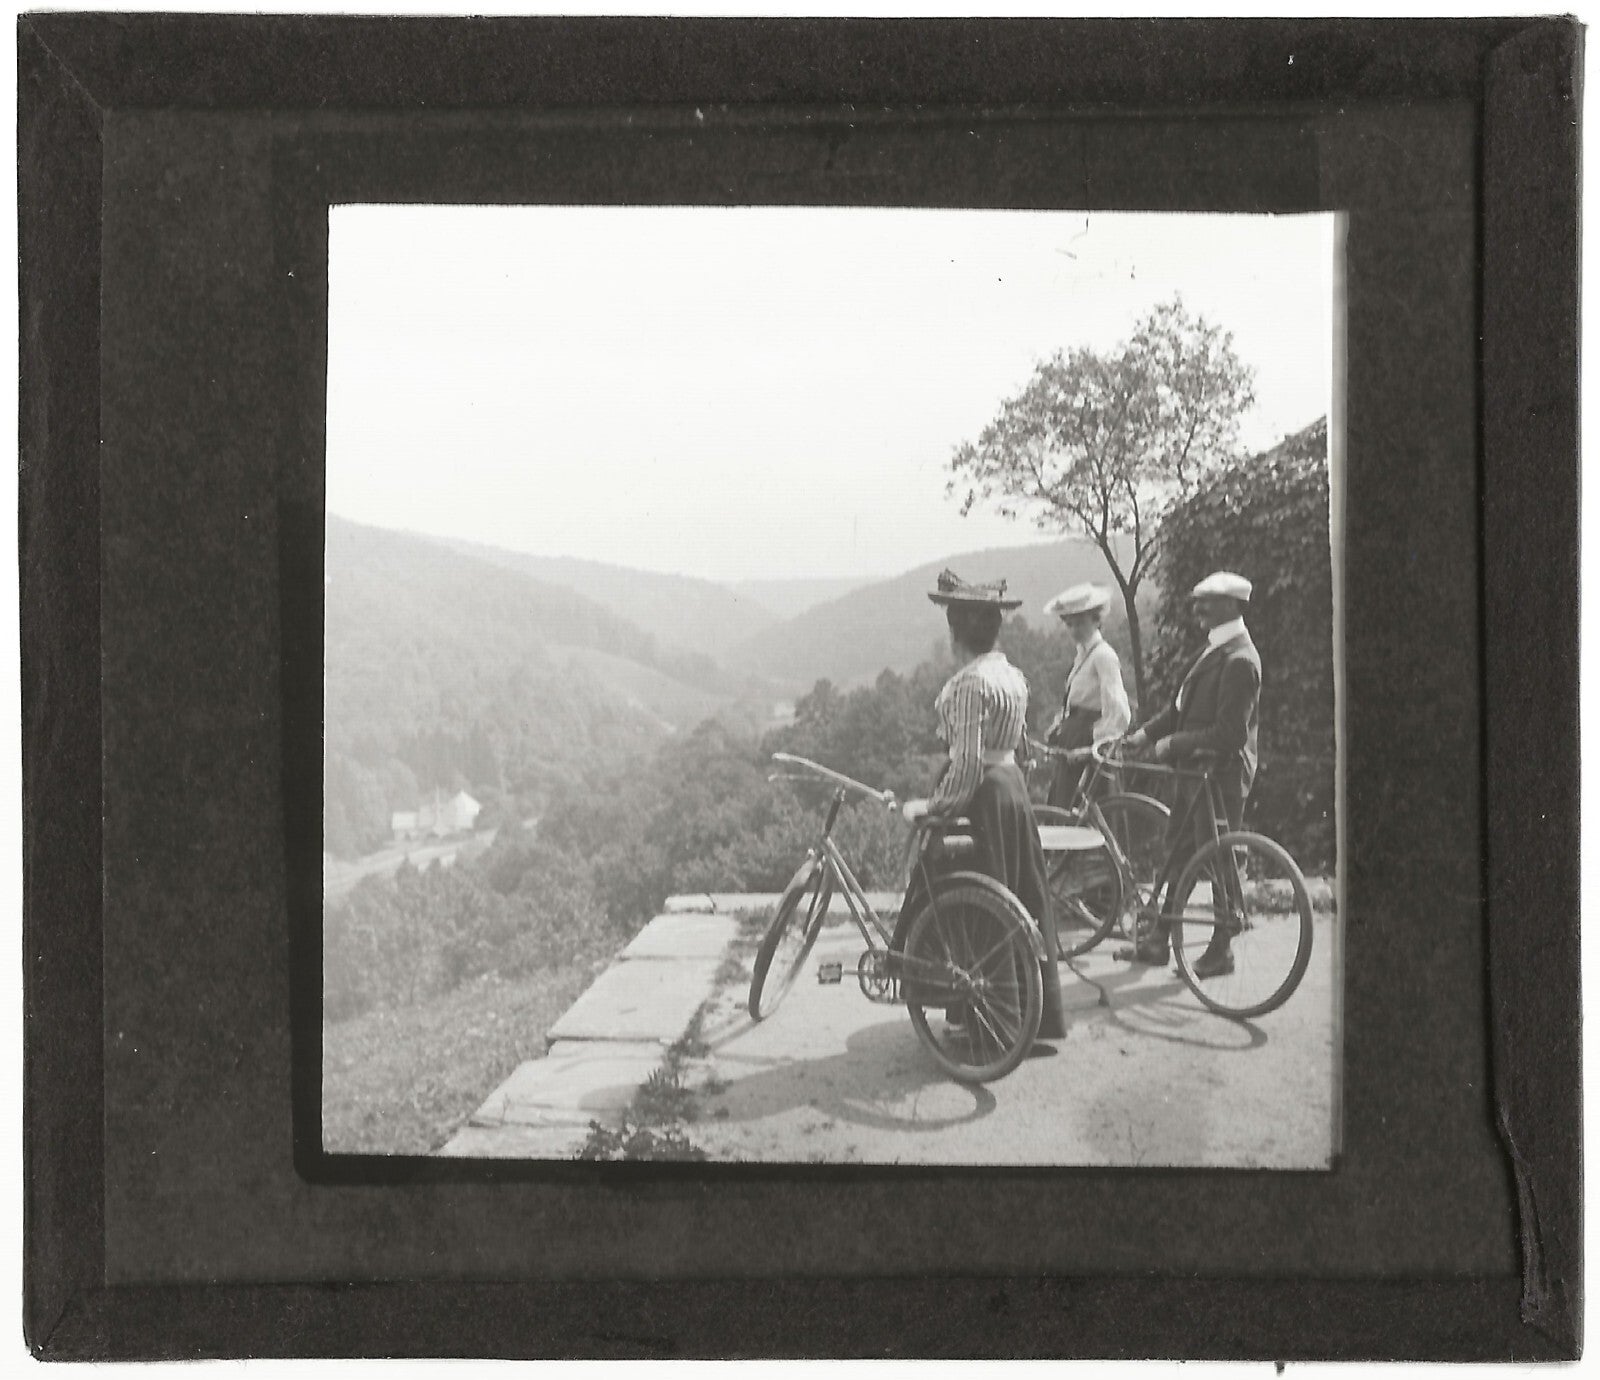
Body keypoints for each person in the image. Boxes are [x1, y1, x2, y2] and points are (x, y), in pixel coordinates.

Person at [896, 569, 1066, 1040]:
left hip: (983, 797)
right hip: (1012, 792)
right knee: (1020, 897)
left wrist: (936, 808)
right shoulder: (1012, 677)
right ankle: (1029, 1016)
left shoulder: (971, 683)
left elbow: (968, 762)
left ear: (957, 632)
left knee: (975, 905)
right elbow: (1021, 748)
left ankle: (992, 1024)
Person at [1119, 570, 1261, 977]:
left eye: (1209, 602)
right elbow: (1181, 710)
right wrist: (1145, 735)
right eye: (1199, 601)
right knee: (1180, 854)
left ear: (1232, 606)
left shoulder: (1239, 660)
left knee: (1215, 859)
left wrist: (1172, 745)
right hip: (1194, 775)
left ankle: (1221, 950)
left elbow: (1230, 734)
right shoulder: (1216, 649)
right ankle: (1158, 941)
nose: (1198, 609)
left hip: (1218, 777)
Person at [1041, 583, 1131, 810]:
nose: (1074, 630)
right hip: (1072, 742)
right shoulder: (1082, 655)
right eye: (1069, 624)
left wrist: (1093, 747)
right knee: (1062, 808)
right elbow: (1078, 701)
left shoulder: (1103, 656)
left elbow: (1118, 713)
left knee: (1084, 811)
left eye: (1080, 623)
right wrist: (1059, 725)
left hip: (1087, 746)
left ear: (1096, 620)